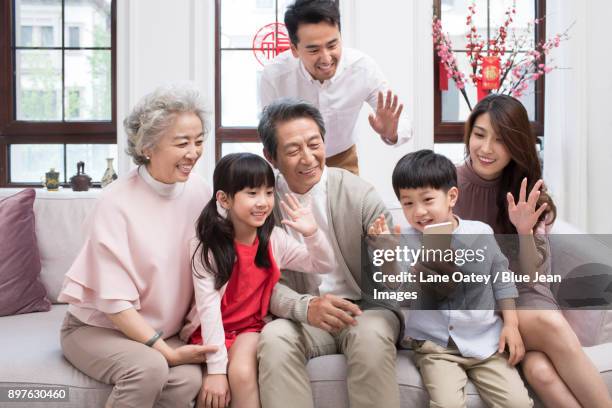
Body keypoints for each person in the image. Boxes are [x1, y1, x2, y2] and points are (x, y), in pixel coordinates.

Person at [57, 86, 217, 407]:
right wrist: (165, 351)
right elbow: (115, 305)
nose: (194, 152)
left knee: (187, 378)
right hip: (98, 329)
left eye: (199, 141)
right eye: (182, 142)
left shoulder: (201, 192)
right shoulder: (115, 202)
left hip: (161, 329)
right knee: (148, 367)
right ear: (147, 147)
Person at [455, 93, 612, 408]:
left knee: (542, 364)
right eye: (479, 135)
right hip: (482, 304)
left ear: (516, 145)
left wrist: (524, 232)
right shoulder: (447, 185)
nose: (486, 149)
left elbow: (531, 278)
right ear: (469, 134)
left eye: (499, 140)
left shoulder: (527, 191)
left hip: (527, 298)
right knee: (543, 352)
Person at [255, 98, 403, 408]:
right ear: (271, 157)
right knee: (274, 338)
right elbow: (256, 281)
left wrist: (388, 252)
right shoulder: (262, 206)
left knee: (371, 337)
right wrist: (305, 306)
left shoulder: (358, 193)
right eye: (294, 150)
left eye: (314, 144)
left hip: (364, 310)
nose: (308, 158)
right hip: (304, 315)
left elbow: (394, 284)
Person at [374, 149, 532, 407]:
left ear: (452, 197)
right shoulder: (404, 240)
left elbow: (501, 280)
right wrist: (388, 256)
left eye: (427, 199)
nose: (419, 211)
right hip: (435, 350)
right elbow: (400, 294)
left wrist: (511, 325)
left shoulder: (480, 232)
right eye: (408, 203)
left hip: (486, 345)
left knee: (518, 404)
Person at [180, 153, 334, 408]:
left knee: (241, 373)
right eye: (252, 193)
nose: (263, 202)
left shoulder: (274, 239)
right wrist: (216, 371)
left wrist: (312, 233)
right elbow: (208, 310)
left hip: (250, 329)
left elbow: (323, 264)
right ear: (224, 199)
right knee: (213, 393)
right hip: (209, 331)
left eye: (268, 193)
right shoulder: (205, 247)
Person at [259, 0, 411, 175]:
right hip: (294, 162)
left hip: (342, 159)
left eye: (332, 45)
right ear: (294, 49)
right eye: (314, 50)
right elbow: (268, 132)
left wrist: (391, 133)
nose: (326, 58)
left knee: (352, 202)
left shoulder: (363, 69)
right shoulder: (275, 76)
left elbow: (405, 124)